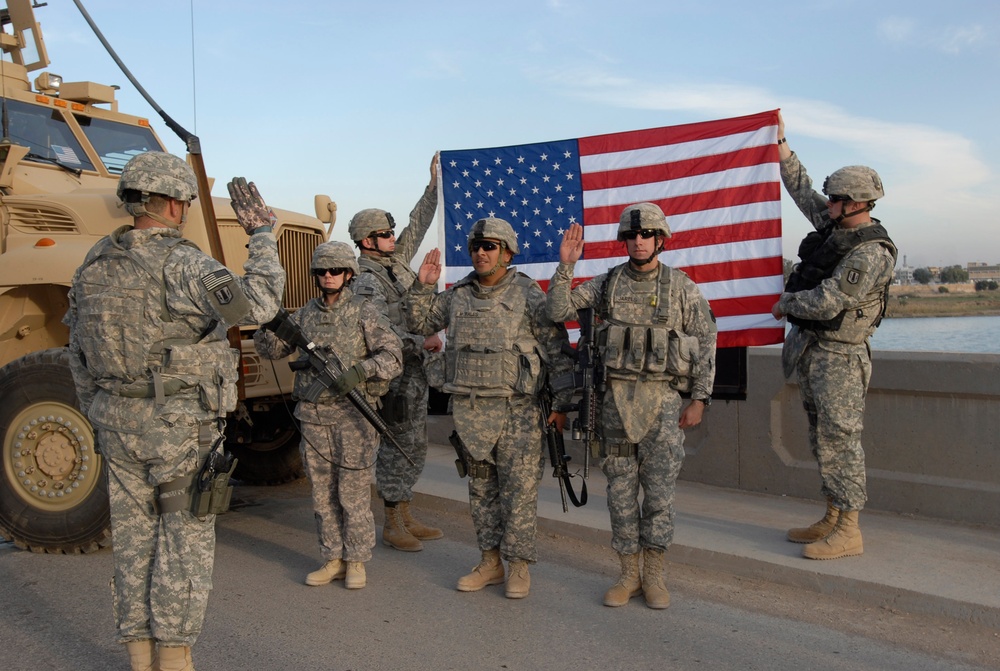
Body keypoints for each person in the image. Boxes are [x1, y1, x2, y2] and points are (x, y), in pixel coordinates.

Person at [63, 152, 285, 671]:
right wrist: (261, 238)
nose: (184, 209)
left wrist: (96, 409)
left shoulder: (94, 263)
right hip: (176, 427)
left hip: (117, 421)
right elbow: (257, 306)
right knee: (183, 538)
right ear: (167, 202)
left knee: (134, 539)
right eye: (183, 200)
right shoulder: (184, 264)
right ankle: (175, 656)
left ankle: (139, 655)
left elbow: (76, 348)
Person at [546, 203, 718, 610]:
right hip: (614, 407)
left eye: (646, 235)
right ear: (624, 241)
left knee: (659, 494)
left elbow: (707, 340)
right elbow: (557, 310)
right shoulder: (607, 285)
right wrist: (565, 267)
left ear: (660, 239)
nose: (638, 242)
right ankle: (627, 574)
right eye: (631, 236)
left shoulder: (680, 287)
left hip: (662, 406)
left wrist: (700, 399)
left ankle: (654, 574)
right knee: (620, 495)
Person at [406, 217, 574, 599]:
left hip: (519, 412)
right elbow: (417, 320)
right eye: (476, 247)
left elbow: (558, 351)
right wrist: (423, 286)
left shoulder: (529, 295)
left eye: (490, 246)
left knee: (519, 491)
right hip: (471, 410)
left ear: (507, 253)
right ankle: (489, 562)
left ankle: (518, 566)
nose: (481, 253)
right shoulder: (457, 295)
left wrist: (562, 405)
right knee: (481, 491)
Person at [771, 113, 897, 560]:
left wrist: (786, 303)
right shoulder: (836, 230)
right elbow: (803, 189)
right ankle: (831, 514)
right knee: (821, 438)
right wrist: (781, 143)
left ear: (856, 203)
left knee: (841, 440)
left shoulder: (870, 252)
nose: (826, 205)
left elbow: (827, 301)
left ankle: (850, 528)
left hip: (840, 357)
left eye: (835, 200)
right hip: (813, 352)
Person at [253, 241, 402, 589]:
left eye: (335, 270)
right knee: (321, 494)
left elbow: (393, 357)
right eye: (322, 271)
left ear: (349, 274)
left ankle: (356, 561)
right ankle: (332, 557)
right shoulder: (304, 314)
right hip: (313, 416)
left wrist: (361, 371)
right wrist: (266, 318)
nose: (329, 276)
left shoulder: (364, 312)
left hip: (353, 418)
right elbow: (271, 349)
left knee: (352, 494)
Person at [349, 153, 444, 552]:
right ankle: (391, 521)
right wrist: (417, 341)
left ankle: (405, 511)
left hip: (416, 370)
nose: (393, 237)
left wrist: (435, 187)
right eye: (386, 234)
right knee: (396, 443)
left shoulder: (395, 263)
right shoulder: (365, 281)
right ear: (368, 241)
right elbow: (377, 332)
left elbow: (417, 224)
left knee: (415, 443)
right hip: (394, 375)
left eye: (391, 233)